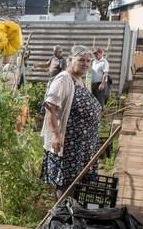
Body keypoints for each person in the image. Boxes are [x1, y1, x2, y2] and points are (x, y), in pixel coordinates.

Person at [41, 45, 102, 199]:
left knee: (77, 180)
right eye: (81, 60)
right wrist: (56, 135)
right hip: (68, 144)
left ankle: (72, 211)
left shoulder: (80, 79)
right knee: (66, 181)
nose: (85, 64)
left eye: (88, 61)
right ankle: (62, 214)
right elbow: (50, 109)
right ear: (70, 60)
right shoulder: (63, 79)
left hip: (82, 144)